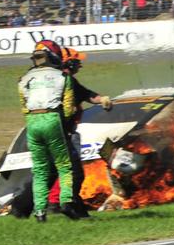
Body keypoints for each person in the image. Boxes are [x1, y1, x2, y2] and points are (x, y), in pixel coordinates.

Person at [44, 47, 112, 216]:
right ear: (68, 62)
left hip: (48, 131)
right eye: (77, 61)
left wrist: (101, 99)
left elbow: (86, 94)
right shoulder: (65, 80)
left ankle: (52, 203)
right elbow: (84, 94)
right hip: (63, 132)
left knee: (55, 169)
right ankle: (63, 203)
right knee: (72, 171)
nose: (80, 65)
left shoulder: (55, 80)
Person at [17, 40, 80, 222]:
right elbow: (68, 109)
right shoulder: (63, 77)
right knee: (64, 166)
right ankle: (66, 201)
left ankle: (39, 212)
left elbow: (24, 106)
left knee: (40, 169)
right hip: (52, 119)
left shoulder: (24, 79)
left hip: (32, 122)